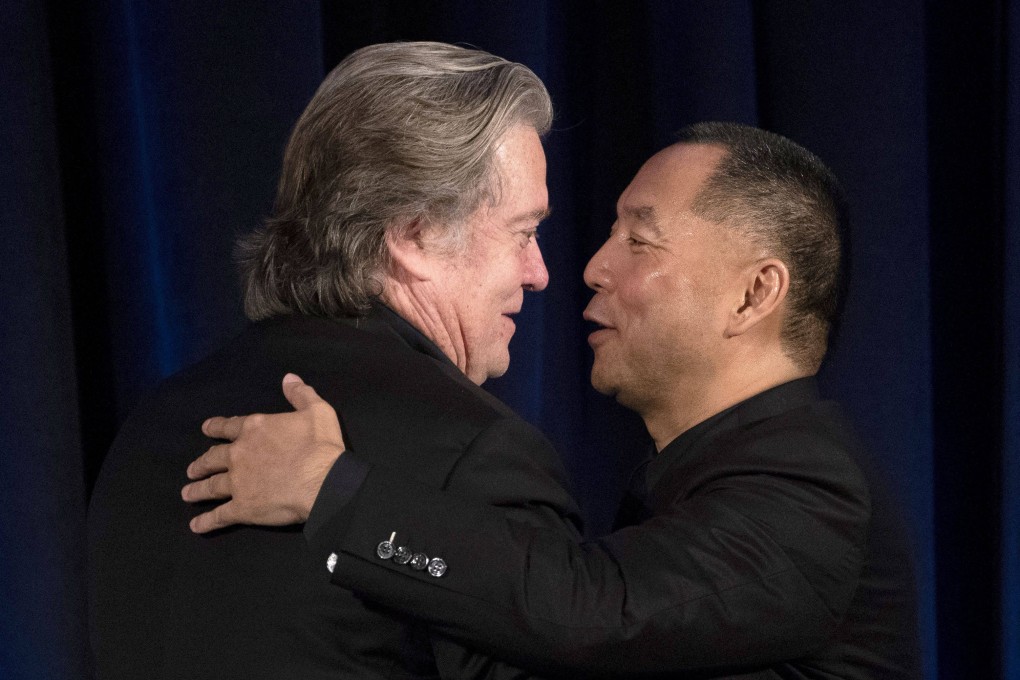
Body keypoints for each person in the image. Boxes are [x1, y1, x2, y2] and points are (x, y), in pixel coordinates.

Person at [184, 122, 923, 678]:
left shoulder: (810, 483)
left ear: (754, 293)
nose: (593, 267)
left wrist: (331, 493)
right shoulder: (713, 475)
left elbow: (596, 615)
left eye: (640, 242)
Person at [88, 41, 584, 680]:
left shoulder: (152, 426)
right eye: (524, 231)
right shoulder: (480, 455)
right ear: (415, 235)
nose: (539, 272)